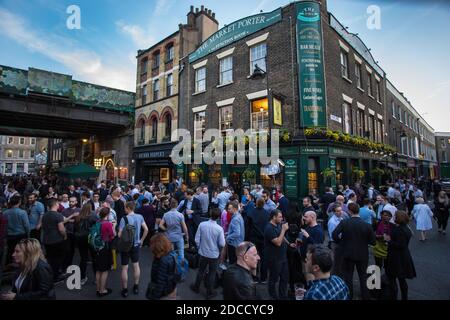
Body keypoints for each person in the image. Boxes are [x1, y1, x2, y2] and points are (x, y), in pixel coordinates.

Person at [332, 202, 376, 300]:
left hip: (348, 253)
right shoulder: (367, 225)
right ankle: (365, 295)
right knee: (363, 276)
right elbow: (373, 242)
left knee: (348, 276)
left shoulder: (344, 222)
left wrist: (341, 242)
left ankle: (349, 295)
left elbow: (334, 234)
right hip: (362, 254)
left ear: (349, 211)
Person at [190, 208, 225, 299]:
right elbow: (222, 243)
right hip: (214, 254)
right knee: (212, 273)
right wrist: (219, 250)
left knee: (201, 270)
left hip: (203, 253)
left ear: (210, 214)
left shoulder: (202, 225)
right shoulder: (219, 229)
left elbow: (197, 239)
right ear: (218, 216)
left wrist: (200, 248)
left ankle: (196, 287)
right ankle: (209, 292)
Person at [118, 201, 148, 297]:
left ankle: (125, 289)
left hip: (126, 245)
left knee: (124, 267)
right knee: (136, 265)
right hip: (136, 244)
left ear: (127, 208)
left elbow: (119, 234)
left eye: (125, 208)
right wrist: (141, 240)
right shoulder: (140, 217)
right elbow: (146, 229)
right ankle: (136, 286)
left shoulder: (124, 219)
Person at [385, 211, 416, 300]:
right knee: (402, 280)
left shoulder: (399, 230)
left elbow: (400, 245)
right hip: (403, 256)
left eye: (395, 216)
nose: (393, 217)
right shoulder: (406, 228)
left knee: (393, 279)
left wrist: (388, 240)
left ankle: (394, 297)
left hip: (397, 258)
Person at [41, 198, 68, 283]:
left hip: (46, 240)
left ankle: (50, 274)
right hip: (56, 240)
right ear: (56, 204)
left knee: (50, 258)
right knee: (57, 259)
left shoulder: (45, 215)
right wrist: (65, 236)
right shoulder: (58, 215)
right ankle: (56, 276)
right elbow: (61, 229)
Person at [264, 209, 289, 300]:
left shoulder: (278, 225)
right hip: (274, 258)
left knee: (284, 278)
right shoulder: (268, 228)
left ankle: (283, 296)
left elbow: (281, 237)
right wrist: (283, 230)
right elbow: (278, 242)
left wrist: (289, 243)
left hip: (283, 257)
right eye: (280, 217)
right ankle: (273, 296)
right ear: (274, 217)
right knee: (273, 279)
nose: (282, 219)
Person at [148, 233, 178, 300]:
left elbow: (160, 282)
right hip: (172, 287)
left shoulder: (162, 261)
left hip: (164, 292)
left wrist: (155, 296)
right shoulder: (171, 254)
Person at [73, 203, 97, 285]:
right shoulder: (93, 215)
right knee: (94, 258)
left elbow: (75, 228)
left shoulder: (78, 216)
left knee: (83, 258)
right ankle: (97, 278)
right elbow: (96, 227)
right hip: (90, 238)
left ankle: (82, 278)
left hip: (80, 239)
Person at [94, 207, 115, 297]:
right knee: (105, 270)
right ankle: (103, 290)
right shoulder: (108, 224)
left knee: (98, 270)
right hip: (105, 248)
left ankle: (98, 289)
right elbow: (112, 236)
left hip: (97, 248)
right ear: (108, 214)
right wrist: (113, 226)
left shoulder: (97, 222)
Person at [4, 195, 30, 266]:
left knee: (10, 251)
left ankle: (9, 266)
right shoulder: (22, 212)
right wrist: (28, 233)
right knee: (22, 251)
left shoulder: (6, 212)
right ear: (19, 202)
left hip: (10, 235)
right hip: (20, 235)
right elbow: (26, 225)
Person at [61, 196, 81, 272]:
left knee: (73, 250)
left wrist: (70, 220)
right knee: (67, 250)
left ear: (76, 202)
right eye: (70, 201)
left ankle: (69, 265)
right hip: (68, 233)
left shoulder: (79, 210)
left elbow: (81, 220)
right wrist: (71, 219)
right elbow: (62, 221)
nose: (71, 203)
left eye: (72, 201)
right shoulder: (64, 211)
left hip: (77, 233)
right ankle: (65, 267)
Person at [327, 205, 344, 276]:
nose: (340, 212)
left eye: (340, 210)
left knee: (339, 261)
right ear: (334, 212)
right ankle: (332, 277)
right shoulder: (332, 222)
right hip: (335, 243)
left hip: (339, 242)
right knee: (335, 262)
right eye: (338, 211)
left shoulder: (341, 218)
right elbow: (333, 236)